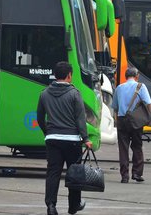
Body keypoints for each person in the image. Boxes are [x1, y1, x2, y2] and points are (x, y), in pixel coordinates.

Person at [36, 61, 92, 215]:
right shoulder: (74, 94)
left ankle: (51, 206)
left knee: (53, 173)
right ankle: (74, 205)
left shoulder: (44, 93)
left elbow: (40, 117)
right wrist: (86, 138)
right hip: (72, 140)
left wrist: (47, 132)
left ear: (55, 75)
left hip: (52, 138)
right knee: (74, 173)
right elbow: (80, 119)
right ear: (69, 75)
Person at [111, 67, 151, 183]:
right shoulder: (141, 86)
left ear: (125, 76)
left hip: (122, 120)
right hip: (136, 121)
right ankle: (137, 173)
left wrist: (117, 119)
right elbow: (149, 103)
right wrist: (148, 118)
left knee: (123, 148)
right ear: (137, 76)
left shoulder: (119, 88)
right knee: (137, 146)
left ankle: (124, 176)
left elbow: (115, 106)